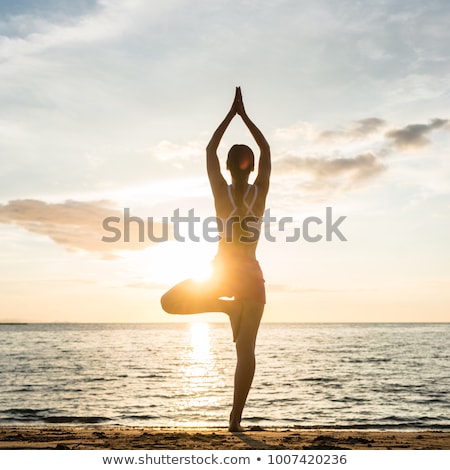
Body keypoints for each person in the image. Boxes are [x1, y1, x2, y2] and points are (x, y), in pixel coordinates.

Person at [160, 87, 271, 432]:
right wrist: (245, 116)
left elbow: (210, 148)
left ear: (226, 166)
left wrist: (230, 114)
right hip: (251, 275)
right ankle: (235, 420)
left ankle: (225, 307)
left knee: (169, 302)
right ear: (252, 167)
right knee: (246, 352)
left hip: (221, 274)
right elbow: (266, 149)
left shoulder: (221, 193)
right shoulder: (261, 190)